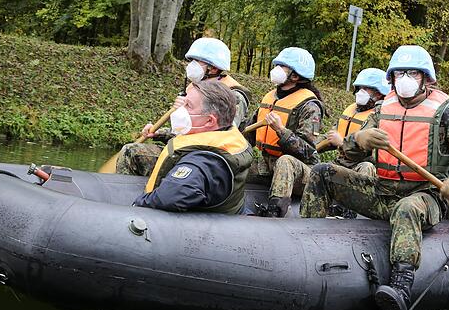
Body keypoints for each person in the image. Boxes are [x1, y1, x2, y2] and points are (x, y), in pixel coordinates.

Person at [299, 45, 449, 310]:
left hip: (425, 195)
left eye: (411, 73)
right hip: (382, 190)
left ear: (426, 79)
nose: (404, 79)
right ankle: (306, 241)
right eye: (398, 74)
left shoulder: (446, 114)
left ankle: (401, 285)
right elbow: (349, 154)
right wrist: (357, 140)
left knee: (407, 208)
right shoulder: (381, 110)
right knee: (323, 172)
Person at [116, 37, 250, 176]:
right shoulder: (195, 88)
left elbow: (222, 133)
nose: (191, 65)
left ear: (214, 67)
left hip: (209, 158)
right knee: (131, 150)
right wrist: (158, 133)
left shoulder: (234, 95)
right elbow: (186, 129)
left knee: (131, 151)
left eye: (197, 61)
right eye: (191, 60)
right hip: (185, 148)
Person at [133, 80, 254, 214]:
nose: (180, 109)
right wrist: (159, 133)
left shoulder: (203, 163)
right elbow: (187, 140)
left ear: (209, 120)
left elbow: (168, 197)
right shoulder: (222, 133)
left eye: (188, 105)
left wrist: (135, 206)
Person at [247, 47, 325, 218]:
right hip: (268, 165)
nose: (276, 69)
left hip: (300, 170)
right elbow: (248, 135)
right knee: (240, 163)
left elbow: (307, 151)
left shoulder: (310, 106)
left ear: (295, 76)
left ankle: (276, 212)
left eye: (282, 66)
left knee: (285, 161)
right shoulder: (271, 97)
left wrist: (281, 131)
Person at [324, 67, 391, 177]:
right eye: (359, 88)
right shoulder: (352, 110)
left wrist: (342, 143)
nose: (360, 92)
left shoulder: (381, 116)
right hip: (342, 162)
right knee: (319, 169)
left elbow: (372, 153)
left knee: (366, 167)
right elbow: (331, 134)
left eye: (366, 88)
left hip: (363, 165)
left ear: (379, 93)